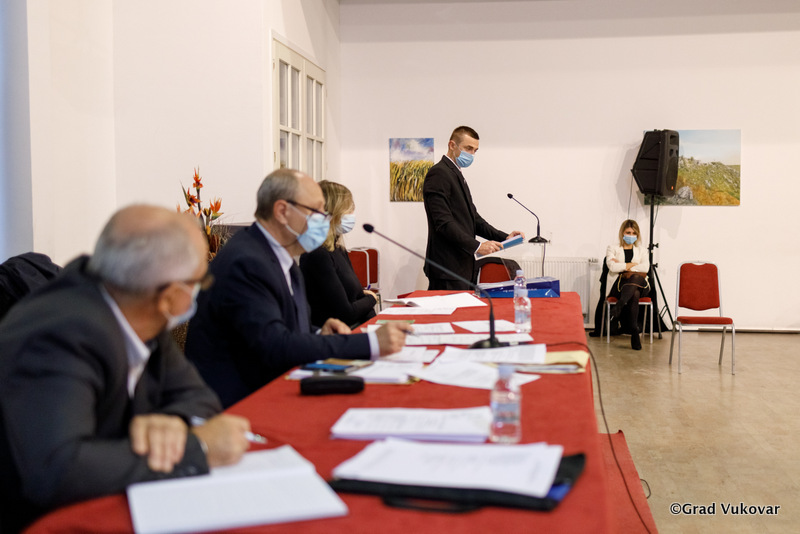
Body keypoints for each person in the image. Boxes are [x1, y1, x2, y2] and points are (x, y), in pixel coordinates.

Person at [0, 206, 252, 534]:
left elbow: (197, 396)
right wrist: (197, 447)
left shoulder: (135, 305)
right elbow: (58, 471)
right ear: (172, 296)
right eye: (199, 281)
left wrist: (171, 423)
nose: (199, 291)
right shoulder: (58, 336)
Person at [185, 169, 409, 408]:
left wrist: (317, 333)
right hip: (237, 403)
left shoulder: (283, 255)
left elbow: (279, 324)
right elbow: (275, 345)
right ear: (282, 212)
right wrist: (370, 343)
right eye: (317, 212)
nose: (325, 220)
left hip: (274, 385)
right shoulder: (247, 262)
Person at [423, 125, 524, 289]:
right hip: (447, 268)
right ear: (452, 145)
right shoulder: (439, 173)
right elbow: (443, 223)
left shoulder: (455, 174)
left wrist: (505, 237)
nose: (471, 154)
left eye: (475, 150)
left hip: (462, 266)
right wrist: (477, 246)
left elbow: (474, 220)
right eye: (468, 148)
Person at [299, 180, 378, 328]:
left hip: (358, 328)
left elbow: (358, 297)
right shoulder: (317, 255)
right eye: (349, 210)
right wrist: (372, 298)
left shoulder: (339, 249)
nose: (352, 215)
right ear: (332, 213)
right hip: (337, 334)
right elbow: (346, 313)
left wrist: (375, 326)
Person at [605, 219, 650, 350]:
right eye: (628, 232)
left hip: (641, 285)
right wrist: (631, 265)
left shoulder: (642, 250)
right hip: (619, 285)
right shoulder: (612, 248)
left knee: (635, 279)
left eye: (634, 233)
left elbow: (645, 268)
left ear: (637, 235)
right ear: (622, 233)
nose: (631, 235)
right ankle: (634, 330)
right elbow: (612, 266)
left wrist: (623, 267)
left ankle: (619, 306)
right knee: (634, 293)